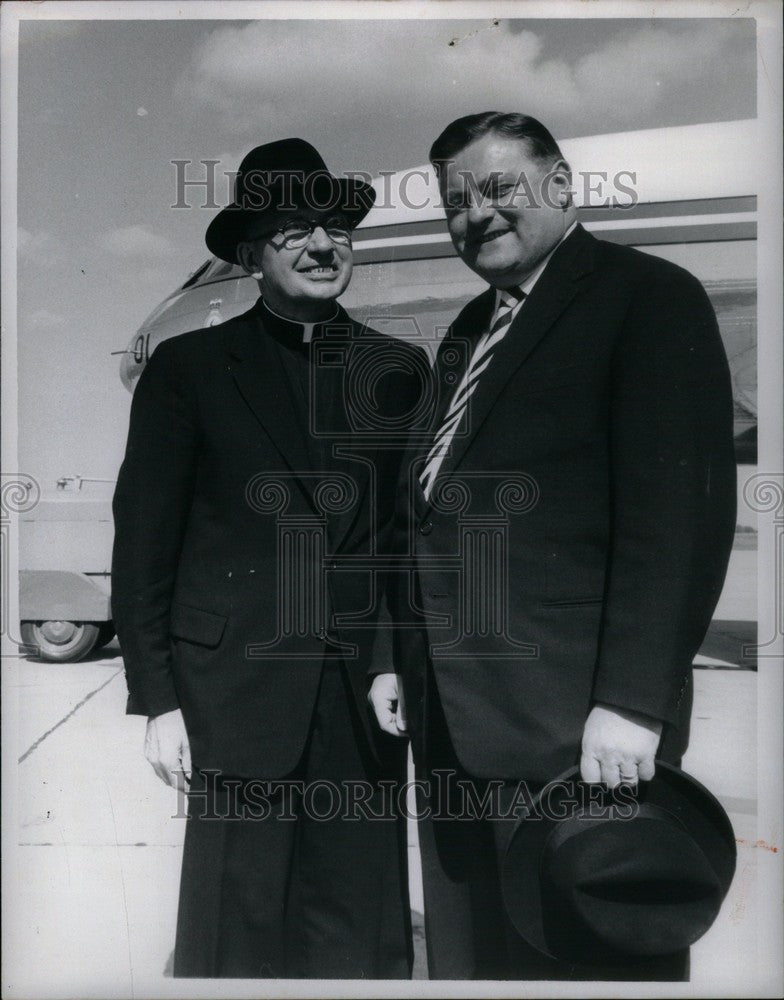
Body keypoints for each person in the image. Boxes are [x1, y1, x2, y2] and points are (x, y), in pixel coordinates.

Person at [368, 112, 737, 980]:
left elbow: (680, 520)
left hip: (571, 726)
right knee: (474, 957)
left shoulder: (647, 296)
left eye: (499, 189)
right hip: (455, 717)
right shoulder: (468, 329)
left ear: (562, 187)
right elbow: (423, 512)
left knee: (586, 954)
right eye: (457, 204)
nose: (477, 217)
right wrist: (393, 655)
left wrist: (635, 702)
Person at [112, 138, 424, 979]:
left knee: (356, 930)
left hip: (362, 697)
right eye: (294, 230)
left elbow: (400, 542)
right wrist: (159, 700)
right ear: (251, 254)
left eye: (335, 229)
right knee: (233, 927)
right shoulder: (190, 370)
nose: (322, 246)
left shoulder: (398, 370)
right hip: (231, 696)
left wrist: (392, 660)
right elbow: (144, 543)